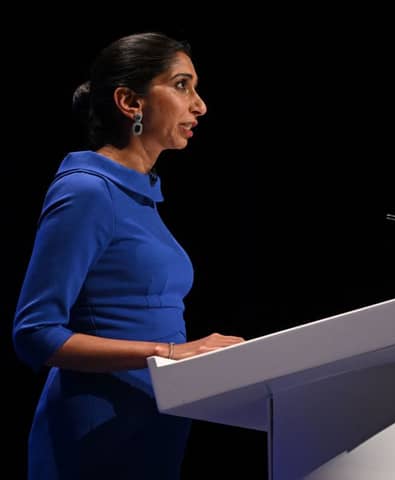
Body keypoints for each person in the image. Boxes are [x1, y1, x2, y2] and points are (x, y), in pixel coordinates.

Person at [13, 32, 245, 479]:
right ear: (129, 101)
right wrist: (171, 353)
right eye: (182, 86)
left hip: (150, 423)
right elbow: (35, 332)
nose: (199, 106)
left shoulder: (140, 198)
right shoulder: (87, 191)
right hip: (96, 435)